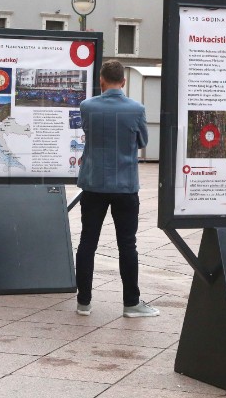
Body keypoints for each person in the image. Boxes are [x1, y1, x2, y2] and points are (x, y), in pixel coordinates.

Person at [75, 60, 158, 318]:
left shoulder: (87, 107)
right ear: (123, 82)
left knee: (87, 242)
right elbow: (143, 141)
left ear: (101, 81)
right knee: (127, 245)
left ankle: (84, 303)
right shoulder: (136, 109)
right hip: (124, 185)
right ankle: (131, 303)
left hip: (93, 183)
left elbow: (89, 133)